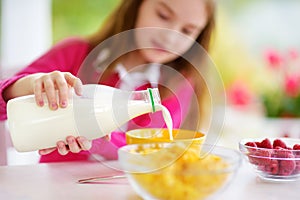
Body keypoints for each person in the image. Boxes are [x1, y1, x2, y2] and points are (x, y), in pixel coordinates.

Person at [0, 0, 215, 162]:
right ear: (136, 6)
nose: (169, 37)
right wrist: (28, 86)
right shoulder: (75, 54)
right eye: (163, 15)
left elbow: (152, 152)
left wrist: (102, 141)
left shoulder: (178, 86)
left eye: (187, 30)